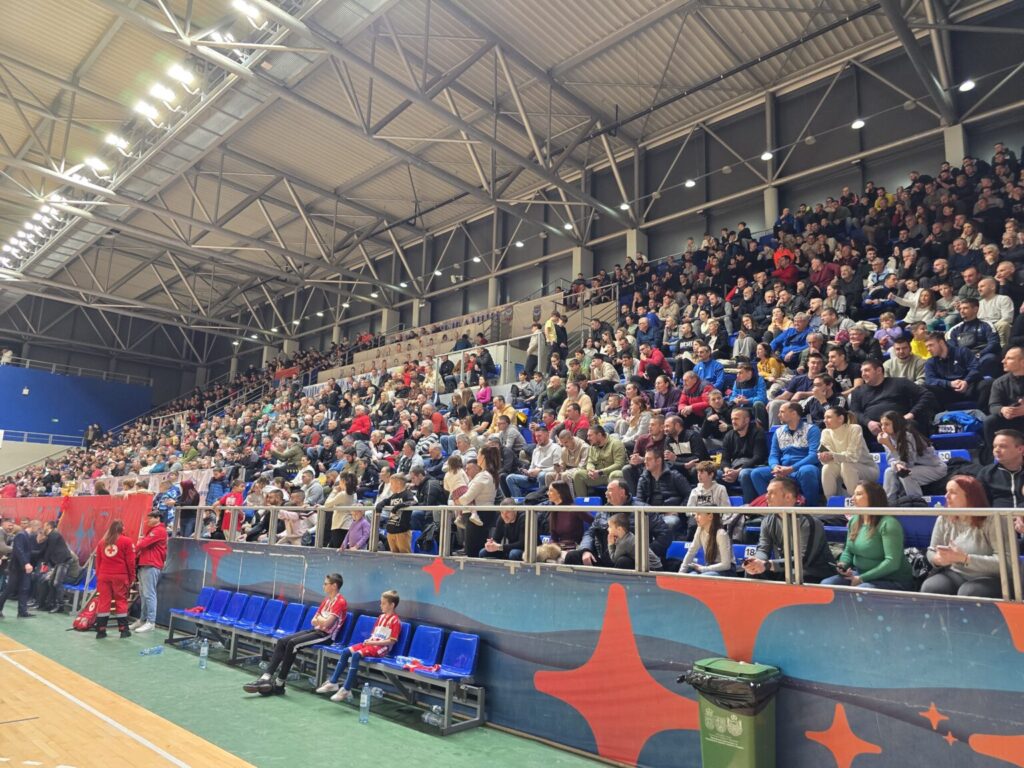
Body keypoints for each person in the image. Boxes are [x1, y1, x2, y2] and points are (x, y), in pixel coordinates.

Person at [244, 573, 348, 696]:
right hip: (316, 631)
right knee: (282, 641)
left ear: (334, 586)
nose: (323, 586)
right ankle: (265, 677)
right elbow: (313, 620)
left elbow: (327, 625)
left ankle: (279, 683)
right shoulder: (326, 600)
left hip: (326, 636)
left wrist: (321, 620)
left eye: (326, 584)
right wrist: (322, 620)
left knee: (293, 644)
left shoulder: (340, 602)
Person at [821, 481, 915, 590]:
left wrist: (862, 578)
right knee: (826, 585)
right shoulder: (854, 520)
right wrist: (843, 565)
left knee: (862, 590)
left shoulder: (889, 524)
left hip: (892, 579)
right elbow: (848, 550)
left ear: (873, 498)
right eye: (853, 494)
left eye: (858, 494)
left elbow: (892, 562)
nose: (853, 498)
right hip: (860, 575)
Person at [922, 476, 1005, 598]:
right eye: (946, 491)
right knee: (931, 586)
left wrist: (965, 559)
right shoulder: (943, 518)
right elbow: (931, 550)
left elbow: (1006, 563)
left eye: (953, 492)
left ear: (970, 497)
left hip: (989, 577)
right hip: (955, 573)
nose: (946, 496)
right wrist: (937, 559)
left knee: (969, 592)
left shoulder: (993, 521)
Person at [741, 478, 832, 583]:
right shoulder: (768, 520)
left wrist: (767, 565)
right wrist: (756, 562)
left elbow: (804, 560)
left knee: (794, 575)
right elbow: (763, 549)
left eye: (772, 493)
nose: (766, 496)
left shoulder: (809, 522)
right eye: (767, 492)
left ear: (788, 497)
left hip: (815, 571)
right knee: (753, 572)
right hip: (786, 568)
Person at [316, 589, 400, 702]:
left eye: (384, 603)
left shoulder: (395, 621)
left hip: (382, 648)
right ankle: (333, 682)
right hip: (372, 644)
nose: (381, 605)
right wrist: (369, 640)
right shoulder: (380, 617)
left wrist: (373, 643)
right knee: (346, 651)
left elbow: (391, 641)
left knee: (356, 655)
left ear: (392, 605)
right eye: (381, 603)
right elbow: (374, 634)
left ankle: (346, 689)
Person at [740, 401, 821, 504]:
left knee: (807, 471)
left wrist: (792, 468)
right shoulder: (778, 431)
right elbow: (773, 455)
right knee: (757, 473)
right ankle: (771, 506)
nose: (778, 415)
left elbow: (814, 455)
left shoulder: (812, 430)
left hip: (801, 467)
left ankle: (811, 508)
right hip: (783, 468)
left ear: (794, 413)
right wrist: (775, 467)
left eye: (782, 412)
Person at [877, 411, 946, 499]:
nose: (883, 428)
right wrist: (896, 464)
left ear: (896, 423)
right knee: (889, 472)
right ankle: (889, 503)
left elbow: (909, 463)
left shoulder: (908, 436)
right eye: (881, 425)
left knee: (905, 473)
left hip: (934, 468)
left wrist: (890, 446)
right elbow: (891, 460)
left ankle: (915, 502)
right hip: (914, 468)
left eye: (887, 424)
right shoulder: (887, 438)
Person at [818, 406, 878, 498]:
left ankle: (855, 500)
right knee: (827, 468)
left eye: (828, 417)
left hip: (866, 468)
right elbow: (827, 455)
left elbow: (853, 456)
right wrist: (823, 457)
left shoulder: (855, 428)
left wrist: (832, 455)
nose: (824, 420)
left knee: (847, 466)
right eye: (824, 417)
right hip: (841, 466)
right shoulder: (825, 432)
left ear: (840, 418)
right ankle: (831, 502)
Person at [93, 520, 136, 639]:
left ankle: (101, 630)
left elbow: (98, 562)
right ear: (122, 528)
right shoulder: (127, 541)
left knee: (103, 602)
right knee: (121, 601)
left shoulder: (102, 542)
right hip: (120, 576)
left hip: (103, 576)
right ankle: (123, 630)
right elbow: (131, 562)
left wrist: (99, 576)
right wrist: (132, 576)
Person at [132, 511, 167, 633]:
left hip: (151, 565)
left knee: (149, 594)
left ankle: (151, 622)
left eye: (151, 518)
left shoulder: (159, 530)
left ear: (158, 518)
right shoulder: (152, 530)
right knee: (143, 594)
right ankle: (143, 620)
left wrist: (135, 547)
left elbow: (143, 544)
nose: (148, 521)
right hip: (144, 564)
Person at [35, 520, 81, 613]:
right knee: (51, 581)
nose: (43, 527)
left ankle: (60, 605)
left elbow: (49, 550)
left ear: (49, 526)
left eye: (45, 525)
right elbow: (45, 549)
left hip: (64, 563)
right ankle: (49, 603)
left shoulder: (54, 535)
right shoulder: (51, 537)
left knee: (56, 582)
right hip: (60, 562)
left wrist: (45, 562)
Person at [0, 519, 41, 619]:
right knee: (9, 589)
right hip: (16, 567)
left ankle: (22, 611)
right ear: (34, 526)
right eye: (38, 528)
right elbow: (19, 550)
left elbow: (27, 551)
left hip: (24, 568)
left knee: (24, 588)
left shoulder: (28, 536)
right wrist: (26, 563)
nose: (39, 530)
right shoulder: (21, 535)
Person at [977, 429, 1024, 508]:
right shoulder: (986, 473)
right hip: (997, 515)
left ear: (1020, 449)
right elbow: (980, 504)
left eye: (1003, 446)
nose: (996, 450)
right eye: (994, 446)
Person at [679, 511, 733, 575]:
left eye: (699, 514)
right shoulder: (699, 529)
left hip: (726, 571)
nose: (695, 517)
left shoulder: (721, 534)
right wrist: (680, 574)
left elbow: (726, 565)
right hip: (709, 568)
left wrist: (704, 569)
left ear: (710, 516)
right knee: (691, 575)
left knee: (702, 577)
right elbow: (691, 552)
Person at [375, 473, 415, 553]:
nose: (390, 486)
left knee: (405, 555)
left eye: (392, 483)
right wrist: (380, 505)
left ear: (398, 483)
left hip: (402, 531)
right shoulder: (394, 496)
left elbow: (413, 501)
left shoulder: (407, 493)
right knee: (394, 556)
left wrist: (396, 507)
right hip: (391, 531)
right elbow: (385, 501)